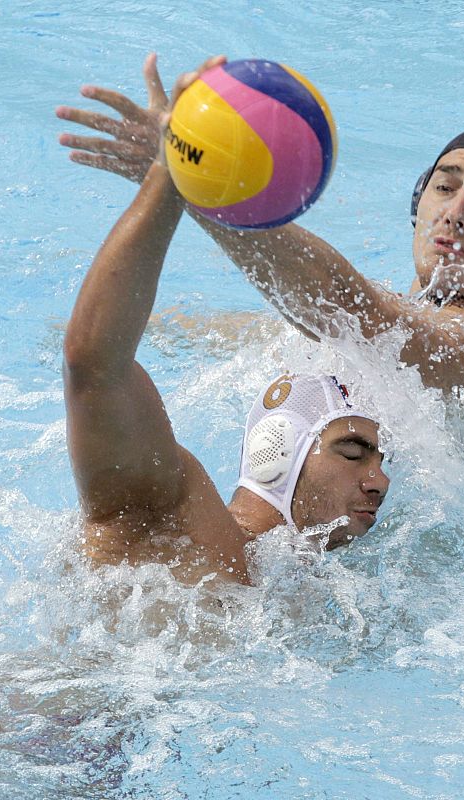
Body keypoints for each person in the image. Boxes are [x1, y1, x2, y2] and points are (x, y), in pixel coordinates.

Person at [57, 54, 464, 462]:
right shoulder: (323, 329)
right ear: (418, 202)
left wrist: (195, 183)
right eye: (445, 186)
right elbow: (191, 337)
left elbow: (368, 322)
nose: (456, 213)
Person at [63, 63, 389, 585]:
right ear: (279, 452)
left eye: (378, 457)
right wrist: (171, 179)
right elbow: (94, 365)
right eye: (353, 453)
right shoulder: (174, 520)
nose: (379, 480)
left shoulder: (308, 590)